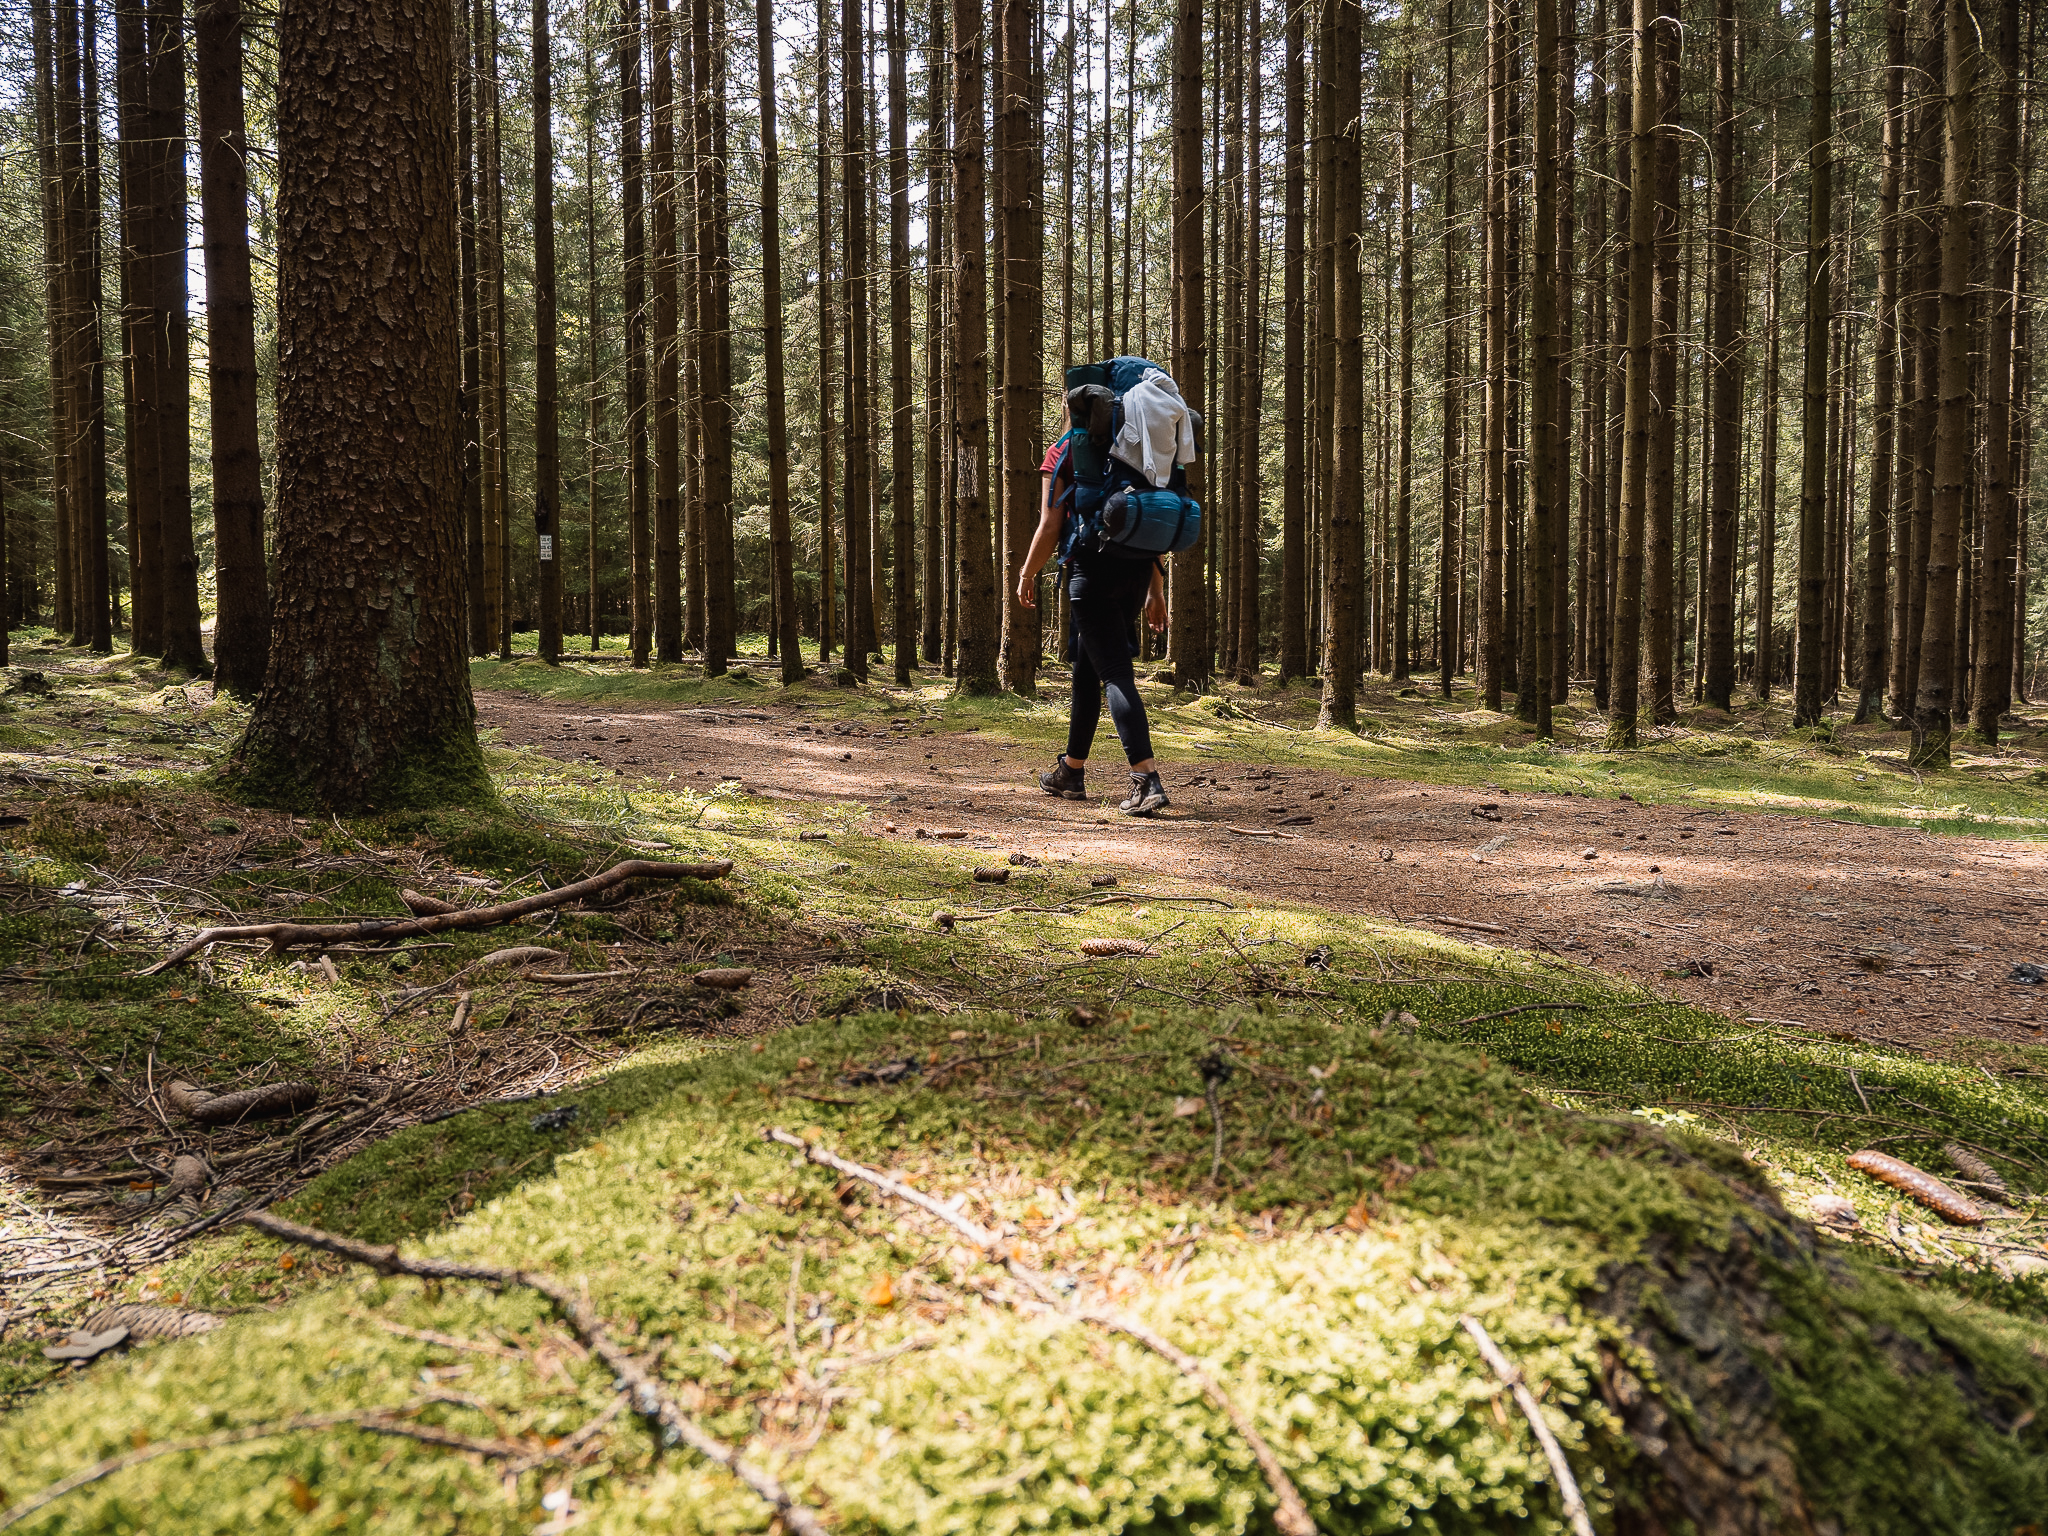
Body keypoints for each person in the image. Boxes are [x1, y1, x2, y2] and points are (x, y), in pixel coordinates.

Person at [1015, 404, 1175, 817]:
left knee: (1115, 674)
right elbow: (1152, 522)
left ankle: (1146, 779)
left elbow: (1050, 525)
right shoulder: (1136, 451)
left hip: (1090, 572)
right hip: (1137, 571)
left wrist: (1027, 573)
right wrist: (1155, 590)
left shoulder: (1065, 449)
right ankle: (1071, 771)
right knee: (1087, 669)